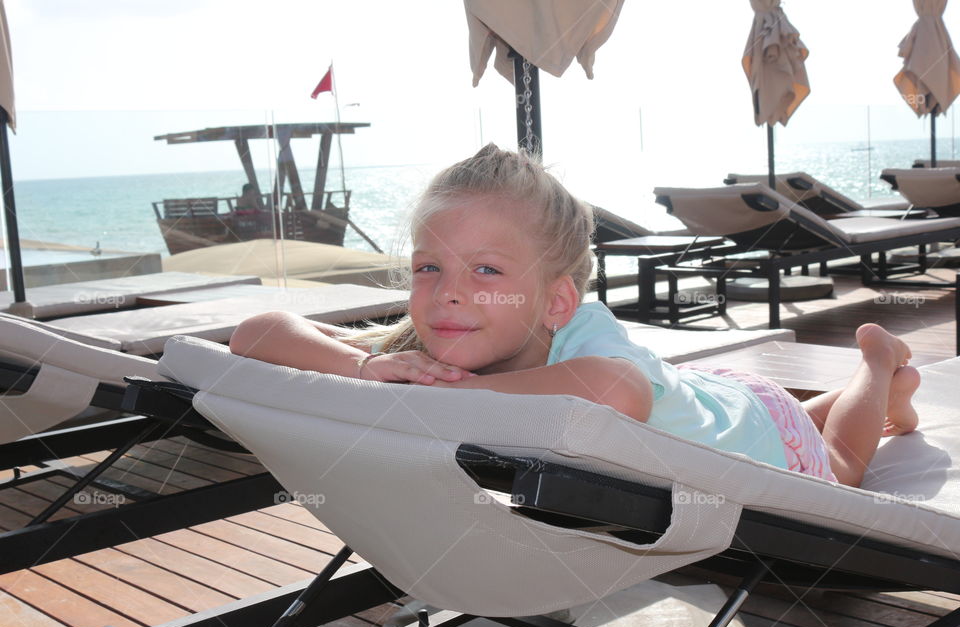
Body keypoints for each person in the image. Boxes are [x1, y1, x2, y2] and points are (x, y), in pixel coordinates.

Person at [230, 144, 921, 488]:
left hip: (754, 439)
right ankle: (857, 389)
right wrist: (367, 364)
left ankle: (878, 363)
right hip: (716, 398)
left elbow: (614, 389)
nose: (448, 293)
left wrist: (445, 395)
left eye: (487, 271)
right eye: (428, 266)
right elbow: (254, 333)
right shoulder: (428, 351)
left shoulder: (584, 337)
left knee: (842, 458)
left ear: (556, 301)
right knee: (788, 408)